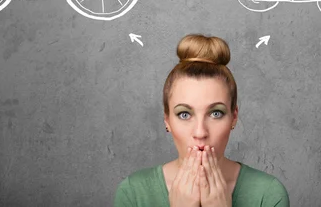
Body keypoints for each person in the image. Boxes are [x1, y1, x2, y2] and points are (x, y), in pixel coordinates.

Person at [114, 34, 290, 207]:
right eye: (184, 114)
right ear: (167, 120)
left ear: (234, 117)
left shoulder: (268, 194)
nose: (200, 133)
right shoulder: (133, 193)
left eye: (215, 113)